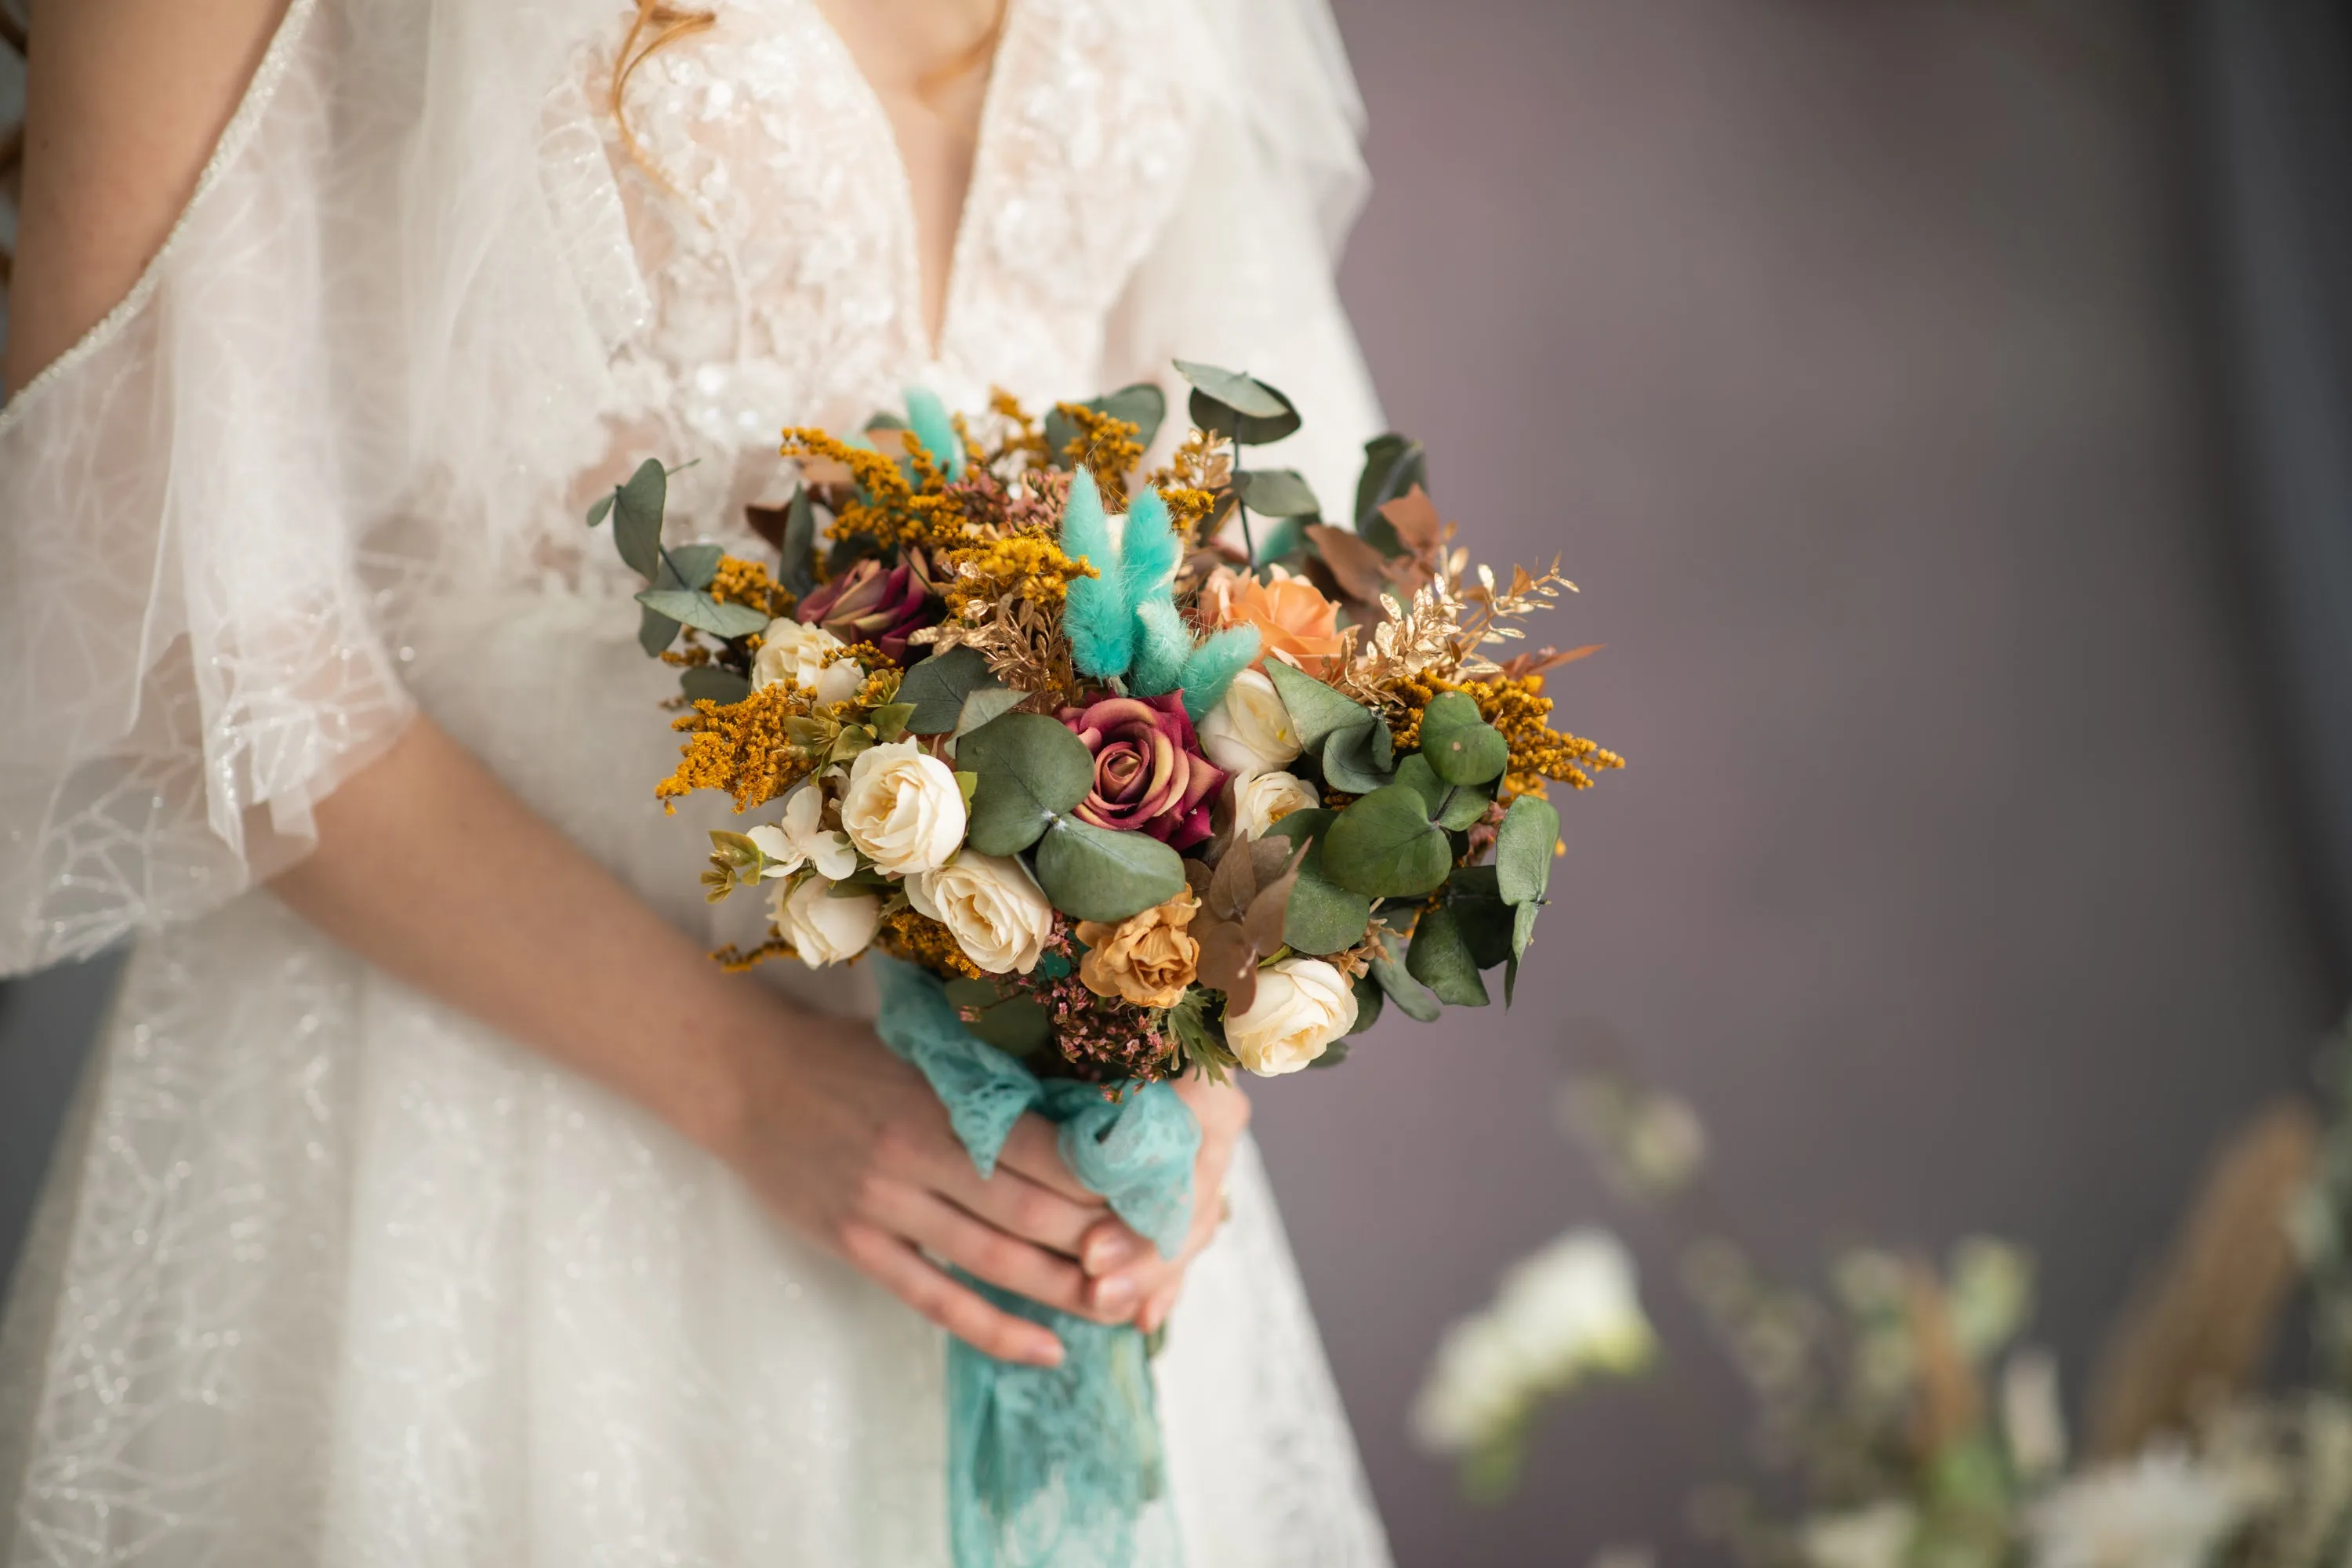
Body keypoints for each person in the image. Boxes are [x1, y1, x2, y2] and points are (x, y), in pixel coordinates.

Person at [0, 0, 1392, 1559]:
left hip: (1046, 1134)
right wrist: (743, 1079)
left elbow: (1285, 520)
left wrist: (1200, 1019)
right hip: (473, 1099)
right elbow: (158, 571)